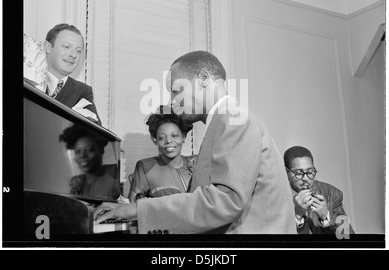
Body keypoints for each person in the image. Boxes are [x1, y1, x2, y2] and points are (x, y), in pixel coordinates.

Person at [94, 50, 296, 234]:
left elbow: (225, 202)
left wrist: (137, 209)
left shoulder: (233, 120)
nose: (172, 101)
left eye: (175, 90)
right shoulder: (224, 122)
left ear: (203, 79)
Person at [128, 105, 197, 202]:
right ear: (155, 140)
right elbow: (133, 206)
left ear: (184, 137)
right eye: (161, 137)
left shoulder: (196, 163)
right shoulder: (145, 167)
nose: (168, 140)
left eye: (174, 135)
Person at [284, 145, 355, 235]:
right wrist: (296, 216)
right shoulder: (274, 197)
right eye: (298, 173)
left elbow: (348, 235)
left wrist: (326, 216)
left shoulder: (331, 194)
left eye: (310, 172)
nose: (305, 178)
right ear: (286, 172)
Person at [44, 23, 101, 125]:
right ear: (48, 47)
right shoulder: (29, 80)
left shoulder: (83, 91)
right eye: (66, 47)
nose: (73, 55)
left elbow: (98, 136)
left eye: (78, 51)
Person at [59, 124, 121, 201]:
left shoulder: (114, 173)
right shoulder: (77, 183)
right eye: (78, 151)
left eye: (89, 150)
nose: (82, 155)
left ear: (101, 150)